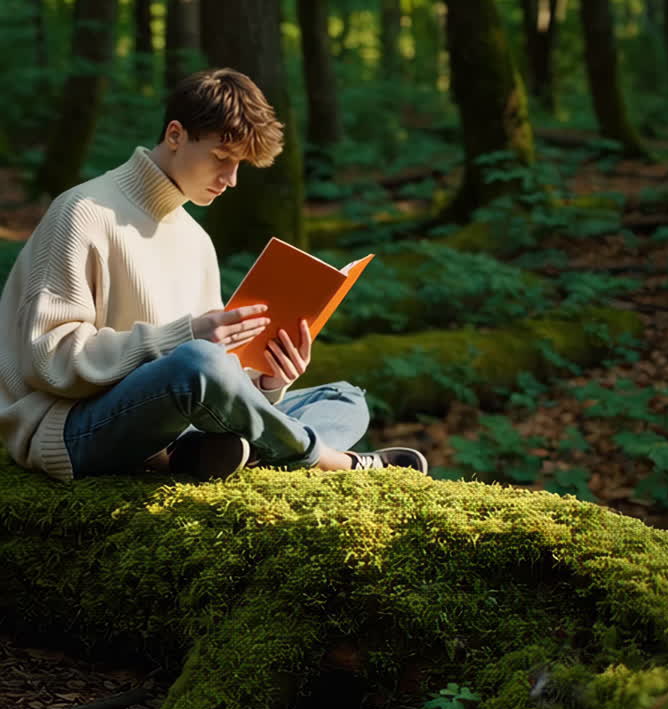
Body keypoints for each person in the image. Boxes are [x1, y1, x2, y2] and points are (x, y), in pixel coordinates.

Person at [0, 68, 428, 482]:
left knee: (342, 397)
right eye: (222, 158)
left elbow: (215, 383)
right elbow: (48, 360)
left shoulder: (195, 240)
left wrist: (268, 382)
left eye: (240, 164)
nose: (231, 179)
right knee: (196, 360)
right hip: (70, 428)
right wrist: (183, 337)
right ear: (175, 135)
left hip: (175, 423)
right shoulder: (83, 212)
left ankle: (212, 455)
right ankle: (330, 461)